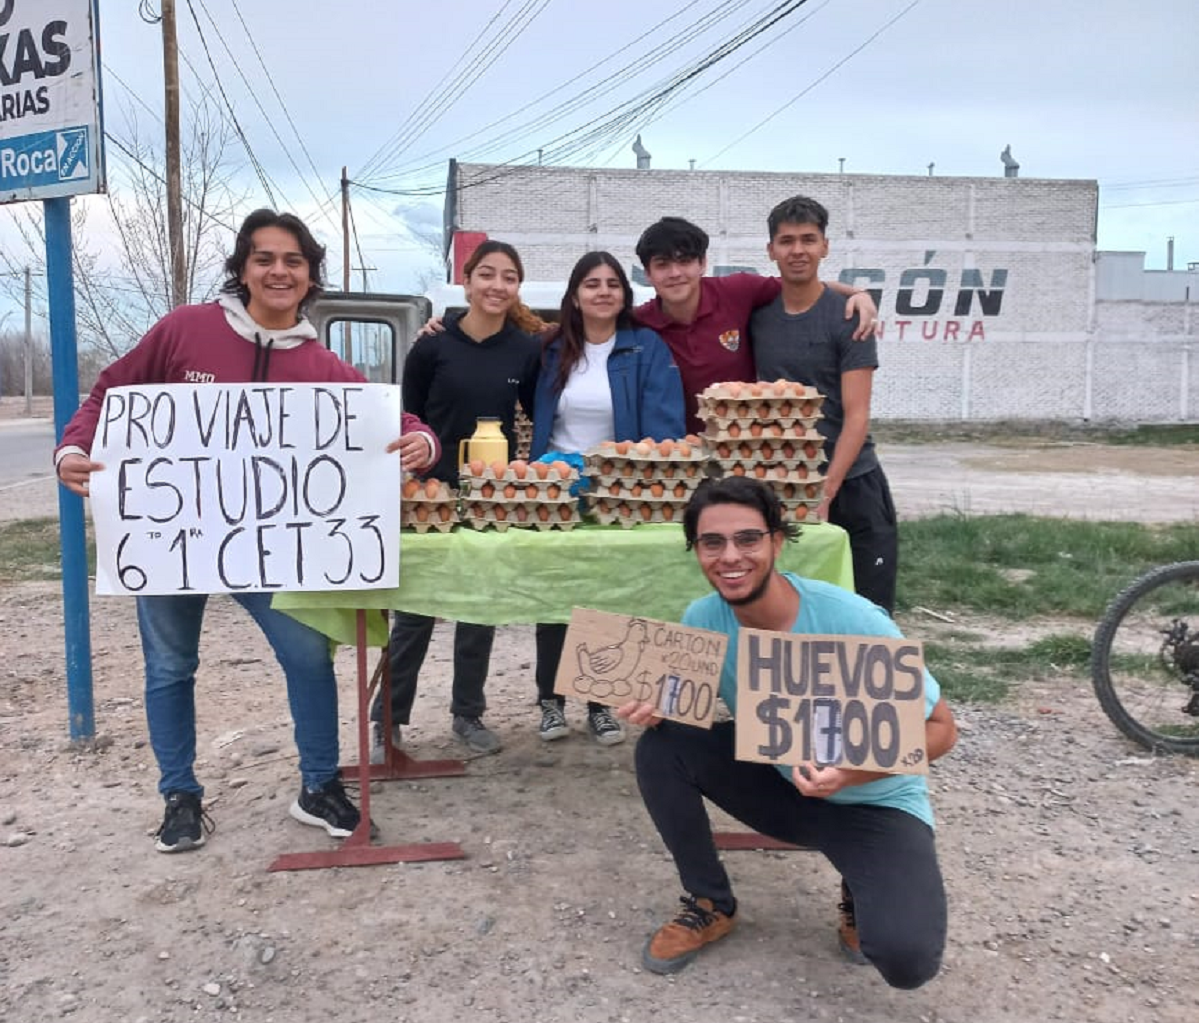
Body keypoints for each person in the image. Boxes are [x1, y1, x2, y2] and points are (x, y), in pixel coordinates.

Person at [54, 208, 440, 853]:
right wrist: (72, 449)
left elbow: (392, 421)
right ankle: (180, 794)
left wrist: (422, 440)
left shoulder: (321, 364)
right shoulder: (185, 330)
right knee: (171, 666)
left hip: (271, 550)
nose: (279, 271)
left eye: (293, 260)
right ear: (242, 269)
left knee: (307, 656)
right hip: (172, 541)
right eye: (264, 259)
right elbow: (108, 393)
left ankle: (318, 784)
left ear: (311, 275)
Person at [617, 477, 956, 987]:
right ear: (697, 552)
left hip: (873, 802)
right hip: (782, 783)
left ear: (777, 541)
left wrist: (850, 772)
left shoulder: (851, 618)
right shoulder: (704, 618)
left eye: (748, 539)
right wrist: (659, 704)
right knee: (662, 748)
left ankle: (859, 891)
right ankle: (711, 902)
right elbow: (682, 707)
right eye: (713, 543)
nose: (731, 556)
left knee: (907, 961)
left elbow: (943, 731)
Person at [372, 240, 540, 758]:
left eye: (508, 277)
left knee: (479, 608)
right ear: (466, 282)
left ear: (517, 288)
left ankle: (468, 714)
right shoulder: (432, 345)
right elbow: (412, 416)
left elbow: (536, 410)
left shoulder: (524, 349)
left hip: (491, 496)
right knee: (415, 613)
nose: (496, 285)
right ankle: (388, 721)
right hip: (431, 493)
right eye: (486, 274)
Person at [528, 251, 686, 745]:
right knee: (556, 594)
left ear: (625, 294)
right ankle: (551, 700)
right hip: (557, 488)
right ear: (574, 295)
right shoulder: (552, 348)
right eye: (592, 284)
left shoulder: (646, 347)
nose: (603, 292)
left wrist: (643, 480)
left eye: (612, 284)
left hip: (619, 489)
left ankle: (600, 702)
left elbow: (664, 425)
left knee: (606, 594)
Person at [750, 195, 898, 613]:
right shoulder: (758, 314)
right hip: (781, 483)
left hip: (851, 484)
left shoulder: (850, 316)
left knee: (866, 611)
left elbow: (857, 415)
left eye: (808, 240)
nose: (798, 250)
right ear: (771, 250)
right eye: (787, 241)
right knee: (790, 613)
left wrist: (826, 490)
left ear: (825, 247)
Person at [631, 216, 878, 430]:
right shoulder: (639, 323)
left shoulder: (737, 291)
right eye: (663, 265)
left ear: (702, 264)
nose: (675, 273)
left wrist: (858, 293)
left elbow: (803, 288)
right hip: (679, 457)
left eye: (684, 261)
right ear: (648, 273)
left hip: (743, 451)